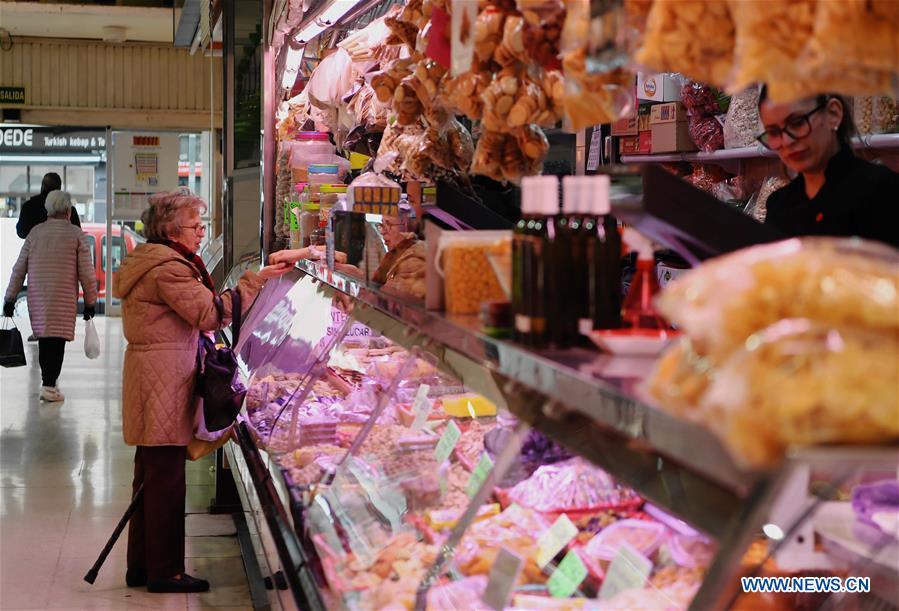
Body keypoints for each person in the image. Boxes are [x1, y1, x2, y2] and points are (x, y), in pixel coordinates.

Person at [112, 188, 290, 593]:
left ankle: (142, 565)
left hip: (153, 372)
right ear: (173, 230)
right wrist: (253, 282)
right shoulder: (169, 269)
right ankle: (166, 571)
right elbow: (210, 314)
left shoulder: (154, 260)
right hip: (164, 377)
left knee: (152, 474)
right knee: (166, 476)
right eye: (196, 225)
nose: (200, 232)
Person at [757, 87, 899, 247]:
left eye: (797, 123)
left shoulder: (882, 189)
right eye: (774, 132)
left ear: (834, 113)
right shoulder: (778, 205)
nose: (786, 141)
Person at [3, 191, 98, 402]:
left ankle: (49, 383)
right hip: (63, 299)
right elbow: (87, 273)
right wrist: (91, 302)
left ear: (48, 210)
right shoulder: (75, 234)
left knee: (45, 340)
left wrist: (9, 298)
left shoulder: (35, 233)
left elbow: (19, 269)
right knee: (57, 341)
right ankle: (49, 385)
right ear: (68, 210)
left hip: (39, 298)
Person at [268, 210, 426, 299]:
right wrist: (350, 272)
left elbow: (387, 302)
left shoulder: (413, 261)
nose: (383, 230)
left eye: (389, 224)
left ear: (406, 225)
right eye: (381, 224)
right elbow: (377, 287)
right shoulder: (397, 252)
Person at [16, 172, 81, 239]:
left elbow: (21, 232)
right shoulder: (69, 209)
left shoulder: (29, 206)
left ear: (43, 185)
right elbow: (78, 234)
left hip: (36, 248)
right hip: (65, 248)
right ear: (59, 188)